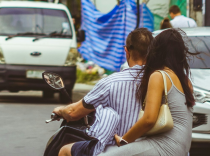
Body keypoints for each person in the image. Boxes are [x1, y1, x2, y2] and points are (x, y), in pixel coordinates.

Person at [52, 28, 153, 156]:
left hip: (115, 148)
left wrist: (60, 110)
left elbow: (73, 113)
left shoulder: (111, 82)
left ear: (127, 51)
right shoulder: (161, 81)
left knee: (65, 151)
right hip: (150, 147)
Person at [107, 28, 194, 155]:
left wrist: (124, 140)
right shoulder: (186, 81)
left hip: (165, 147)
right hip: (183, 149)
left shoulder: (159, 75)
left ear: (157, 50)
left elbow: (148, 120)